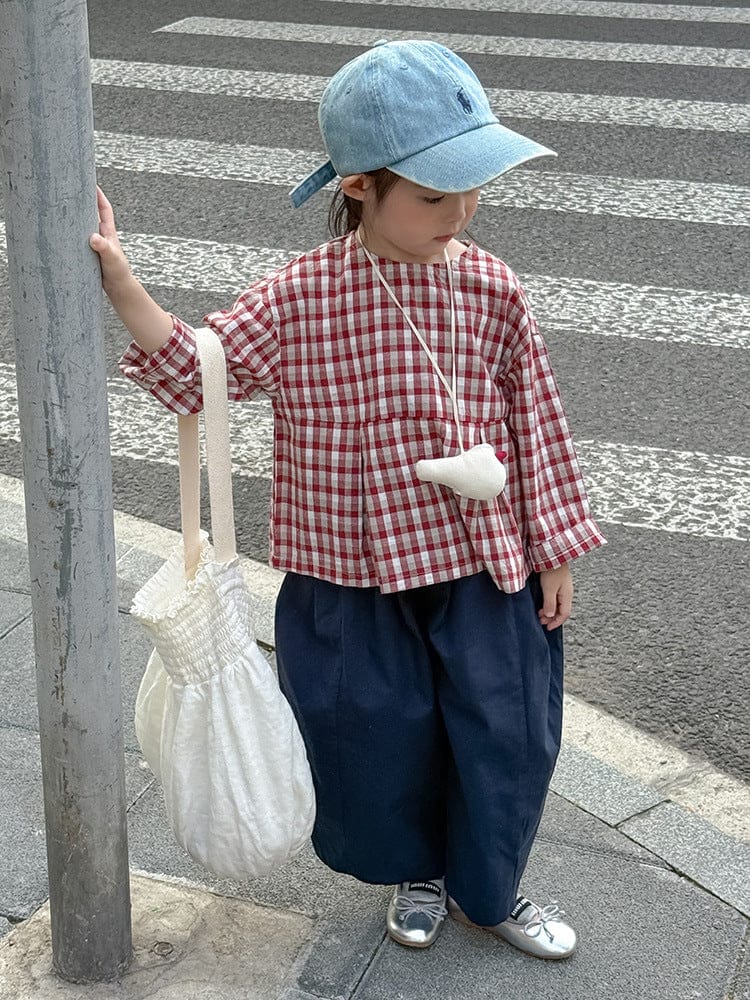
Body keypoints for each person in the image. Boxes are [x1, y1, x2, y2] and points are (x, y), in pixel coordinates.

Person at [91, 39, 605, 961]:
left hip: (481, 561)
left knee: (508, 732)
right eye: (435, 194)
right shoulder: (300, 297)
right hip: (349, 570)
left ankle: (491, 889)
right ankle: (416, 873)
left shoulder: (491, 287)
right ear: (362, 185)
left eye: (471, 188)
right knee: (375, 737)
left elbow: (536, 419)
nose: (462, 213)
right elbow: (195, 373)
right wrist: (123, 282)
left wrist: (555, 545)